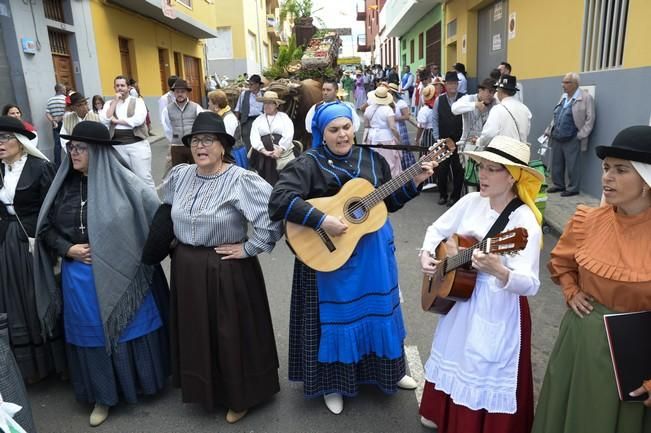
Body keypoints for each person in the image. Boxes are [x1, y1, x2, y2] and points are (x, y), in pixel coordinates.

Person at [268, 101, 436, 415]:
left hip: (373, 255)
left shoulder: (371, 158)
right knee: (337, 319)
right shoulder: (308, 163)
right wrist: (321, 220)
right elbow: (278, 201)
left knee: (380, 311)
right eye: (334, 130)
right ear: (321, 132)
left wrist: (413, 182)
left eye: (346, 127)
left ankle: (390, 369)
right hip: (332, 259)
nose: (343, 135)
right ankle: (334, 384)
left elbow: (386, 203)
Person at [33, 121, 169, 427]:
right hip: (79, 276)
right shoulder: (63, 186)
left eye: (80, 147)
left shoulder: (128, 184)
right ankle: (103, 396)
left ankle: (141, 384)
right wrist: (68, 249)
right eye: (70, 147)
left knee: (129, 331)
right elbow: (46, 229)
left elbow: (158, 220)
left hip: (125, 274)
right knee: (91, 334)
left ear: (98, 152)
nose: (73, 152)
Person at [155, 111, 282, 424]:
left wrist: (250, 247)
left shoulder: (241, 179)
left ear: (223, 146)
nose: (201, 146)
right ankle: (203, 389)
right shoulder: (180, 175)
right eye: (196, 141)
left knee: (230, 333)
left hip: (227, 266)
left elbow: (272, 215)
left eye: (208, 140)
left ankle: (240, 396)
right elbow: (159, 205)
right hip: (187, 269)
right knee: (197, 330)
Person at [419, 135, 544, 432]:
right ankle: (444, 414)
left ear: (512, 176)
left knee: (483, 365)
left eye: (492, 169)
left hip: (495, 306)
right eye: (481, 167)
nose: (482, 175)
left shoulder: (523, 222)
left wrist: (501, 272)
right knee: (455, 353)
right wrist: (426, 254)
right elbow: (437, 229)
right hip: (460, 300)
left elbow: (531, 283)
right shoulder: (471, 201)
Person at [531, 125, 651, 433]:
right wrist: (571, 291)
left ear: (647, 180)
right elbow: (561, 262)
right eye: (606, 168)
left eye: (621, 170)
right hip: (580, 341)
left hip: (637, 354)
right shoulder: (589, 220)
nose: (607, 177)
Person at [0, 115, 64, 385]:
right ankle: (30, 368)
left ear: (21, 142)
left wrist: (49, 244)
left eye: (4, 139)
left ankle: (56, 363)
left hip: (34, 243)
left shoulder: (40, 167)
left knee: (37, 295)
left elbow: (53, 209)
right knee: (14, 300)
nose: (0, 144)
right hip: (6, 245)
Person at [544, 72, 596, 197]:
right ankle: (558, 184)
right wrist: (549, 130)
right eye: (563, 82)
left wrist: (581, 135)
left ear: (575, 84)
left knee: (573, 165)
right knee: (556, 162)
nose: (563, 85)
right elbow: (556, 115)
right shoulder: (563, 97)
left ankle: (573, 188)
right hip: (557, 135)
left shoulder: (586, 98)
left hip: (572, 137)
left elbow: (590, 119)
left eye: (567, 82)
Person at [100, 75, 155, 189]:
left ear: (128, 87)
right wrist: (115, 101)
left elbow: (138, 120)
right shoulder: (109, 103)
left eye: (122, 85)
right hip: (117, 145)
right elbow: (105, 119)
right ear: (114, 88)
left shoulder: (138, 101)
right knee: (126, 179)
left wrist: (116, 121)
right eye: (117, 86)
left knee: (144, 177)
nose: (120, 88)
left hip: (137, 144)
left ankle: (153, 205)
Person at [451, 78, 499, 192]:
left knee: (486, 178)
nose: (491, 95)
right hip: (469, 145)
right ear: (480, 90)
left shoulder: (495, 103)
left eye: (493, 92)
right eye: (489, 91)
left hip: (486, 146)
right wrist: (475, 105)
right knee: (470, 179)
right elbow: (454, 109)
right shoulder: (469, 98)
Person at [431, 71, 465, 206]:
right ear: (445, 85)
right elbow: (434, 119)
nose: (453, 86)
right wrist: (437, 137)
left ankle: (455, 196)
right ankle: (443, 194)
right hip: (443, 139)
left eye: (455, 83)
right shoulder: (440, 99)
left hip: (459, 139)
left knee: (458, 169)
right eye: (450, 83)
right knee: (442, 169)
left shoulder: (464, 98)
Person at [249, 90, 294, 185]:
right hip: (263, 155)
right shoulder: (258, 120)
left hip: (280, 154)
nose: (267, 105)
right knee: (263, 179)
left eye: (270, 103)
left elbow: (289, 134)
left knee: (281, 179)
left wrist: (280, 149)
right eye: (265, 103)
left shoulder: (284, 117)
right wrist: (263, 150)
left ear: (276, 104)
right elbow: (254, 136)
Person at [476, 75, 532, 149]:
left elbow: (489, 134)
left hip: (503, 155)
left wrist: (479, 141)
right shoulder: (525, 109)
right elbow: (526, 132)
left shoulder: (497, 109)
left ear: (500, 91)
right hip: (520, 154)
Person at [162, 79, 204, 166]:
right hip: (176, 146)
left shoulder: (196, 107)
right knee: (179, 172)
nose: (180, 94)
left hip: (193, 145)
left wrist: (197, 141)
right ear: (174, 93)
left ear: (187, 93)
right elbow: (167, 127)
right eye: (177, 92)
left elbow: (202, 125)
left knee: (197, 169)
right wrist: (174, 140)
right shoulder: (167, 109)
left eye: (182, 91)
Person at [363, 86, 403, 177]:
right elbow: (392, 127)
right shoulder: (388, 109)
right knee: (389, 162)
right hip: (386, 137)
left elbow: (366, 125)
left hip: (372, 137)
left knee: (374, 161)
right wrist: (398, 138)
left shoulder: (368, 109)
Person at [207, 89, 246, 168]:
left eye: (210, 101)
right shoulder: (219, 115)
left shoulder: (229, 118)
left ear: (216, 105)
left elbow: (226, 140)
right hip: (224, 151)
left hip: (233, 153)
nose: (208, 103)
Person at [387, 83, 417, 170]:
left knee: (403, 148)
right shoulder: (388, 103)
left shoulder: (401, 103)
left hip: (400, 127)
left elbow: (406, 116)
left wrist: (394, 118)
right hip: (392, 128)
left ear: (392, 93)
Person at [234, 74, 264, 153]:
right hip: (247, 121)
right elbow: (238, 109)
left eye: (251, 84)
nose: (249, 86)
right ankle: (248, 160)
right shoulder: (244, 94)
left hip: (261, 120)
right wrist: (237, 122)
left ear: (257, 85)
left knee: (261, 140)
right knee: (247, 141)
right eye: (249, 84)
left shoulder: (263, 95)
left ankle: (259, 157)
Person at [45, 83, 67, 168]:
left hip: (55, 125)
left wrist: (53, 121)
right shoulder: (66, 99)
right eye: (64, 89)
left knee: (57, 145)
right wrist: (60, 118)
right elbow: (67, 111)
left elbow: (47, 113)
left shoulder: (50, 100)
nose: (65, 90)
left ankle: (57, 165)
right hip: (65, 123)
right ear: (61, 90)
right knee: (68, 142)